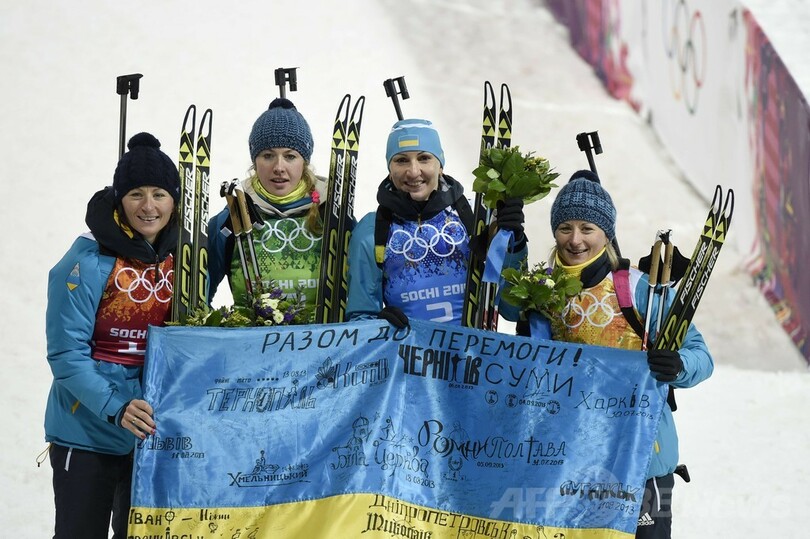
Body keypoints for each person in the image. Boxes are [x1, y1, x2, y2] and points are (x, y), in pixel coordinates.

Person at [528, 170, 713, 539]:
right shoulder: (540, 293)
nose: (575, 239)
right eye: (565, 227)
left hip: (641, 457)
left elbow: (700, 355)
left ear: (606, 233)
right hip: (571, 459)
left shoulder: (639, 288)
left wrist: (677, 366)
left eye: (587, 228)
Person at [44, 132, 178, 538]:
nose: (149, 206)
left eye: (159, 193)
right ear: (119, 198)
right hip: (86, 431)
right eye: (136, 194)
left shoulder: (187, 256)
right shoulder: (86, 258)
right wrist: (116, 405)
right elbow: (66, 354)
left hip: (152, 433)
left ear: (175, 199)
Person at [345, 118, 527, 327]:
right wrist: (379, 325)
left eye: (424, 158)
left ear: (440, 165)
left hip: (472, 356)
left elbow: (513, 310)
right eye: (401, 160)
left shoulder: (475, 218)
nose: (413, 172)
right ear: (389, 168)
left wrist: (515, 245)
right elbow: (361, 318)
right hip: (408, 357)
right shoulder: (372, 230)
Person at [208, 97, 325, 319]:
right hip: (252, 349)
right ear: (255, 161)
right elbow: (198, 297)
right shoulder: (228, 220)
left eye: (290, 156)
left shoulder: (331, 214)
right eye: (268, 156)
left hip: (322, 347)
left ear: (304, 162)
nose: (279, 167)